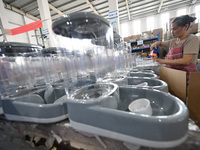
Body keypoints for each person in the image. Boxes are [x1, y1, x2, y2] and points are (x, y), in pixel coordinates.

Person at [150, 15, 200, 84]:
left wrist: (162, 61)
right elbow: (161, 43)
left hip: (186, 80)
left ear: (185, 27)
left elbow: (186, 61)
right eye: (172, 29)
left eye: (175, 29)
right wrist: (155, 44)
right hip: (173, 76)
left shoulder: (191, 39)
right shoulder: (173, 41)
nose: (172, 32)